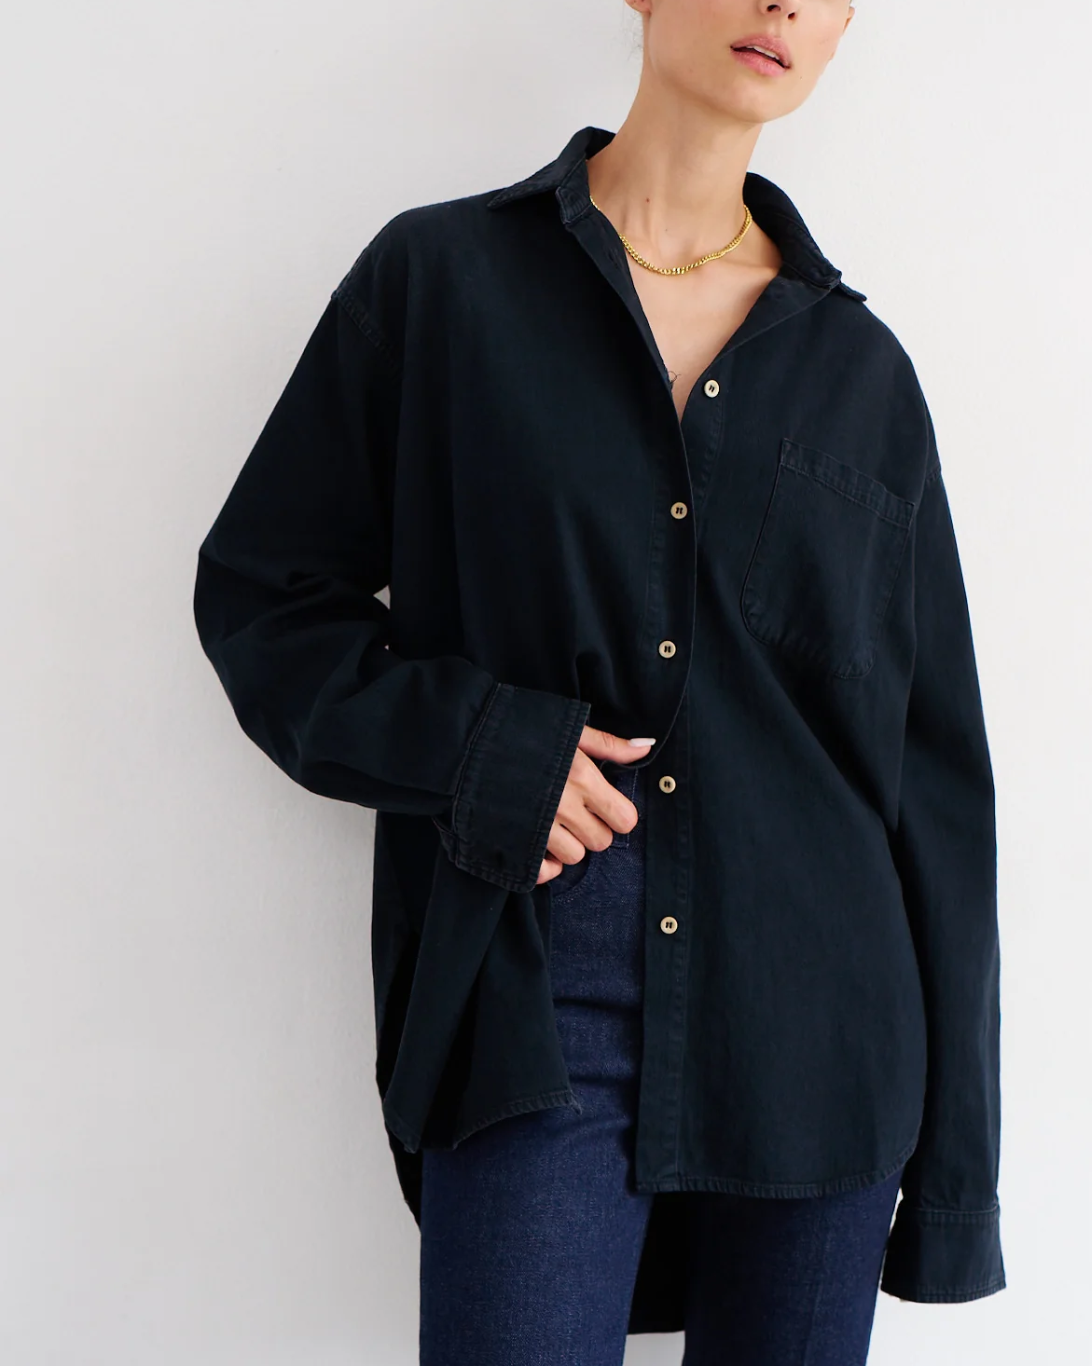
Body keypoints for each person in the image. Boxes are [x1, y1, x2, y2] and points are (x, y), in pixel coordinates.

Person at [193, 2, 1006, 1362]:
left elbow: (934, 785)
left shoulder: (864, 376)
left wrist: (958, 1189)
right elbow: (264, 596)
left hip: (823, 1034)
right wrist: (478, 747)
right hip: (534, 999)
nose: (785, 4)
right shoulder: (443, 285)